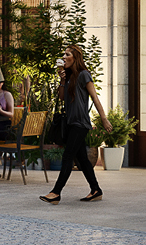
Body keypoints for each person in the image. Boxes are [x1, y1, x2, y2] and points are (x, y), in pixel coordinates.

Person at [42, 45, 107, 203]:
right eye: (63, 54)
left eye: (67, 54)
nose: (64, 57)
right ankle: (96, 190)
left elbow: (94, 97)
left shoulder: (84, 75)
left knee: (68, 156)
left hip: (80, 123)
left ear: (75, 57)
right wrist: (62, 80)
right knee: (82, 160)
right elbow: (62, 98)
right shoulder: (69, 77)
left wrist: (104, 118)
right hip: (70, 123)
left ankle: (56, 192)